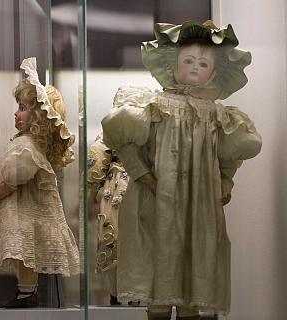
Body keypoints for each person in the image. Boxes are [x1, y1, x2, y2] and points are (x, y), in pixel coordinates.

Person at [101, 21, 262, 319]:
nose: (194, 67)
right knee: (159, 258)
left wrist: (226, 181)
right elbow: (125, 143)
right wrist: (142, 174)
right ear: (172, 63)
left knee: (194, 264)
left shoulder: (217, 114)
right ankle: (159, 309)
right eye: (187, 60)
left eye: (203, 63)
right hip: (157, 199)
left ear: (214, 72)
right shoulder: (153, 105)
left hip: (199, 204)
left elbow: (229, 154)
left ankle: (189, 309)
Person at [0, 57, 80, 308]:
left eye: (23, 108)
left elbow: (14, 180)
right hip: (26, 212)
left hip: (26, 213)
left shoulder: (27, 147)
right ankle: (26, 291)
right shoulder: (29, 144)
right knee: (25, 253)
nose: (16, 113)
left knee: (26, 252)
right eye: (18, 107)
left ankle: (27, 292)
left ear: (39, 117)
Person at [86, 133, 130, 306]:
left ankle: (117, 293)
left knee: (115, 237)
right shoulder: (153, 122)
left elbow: (97, 158)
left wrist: (94, 190)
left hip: (119, 184)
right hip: (146, 184)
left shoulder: (114, 126)